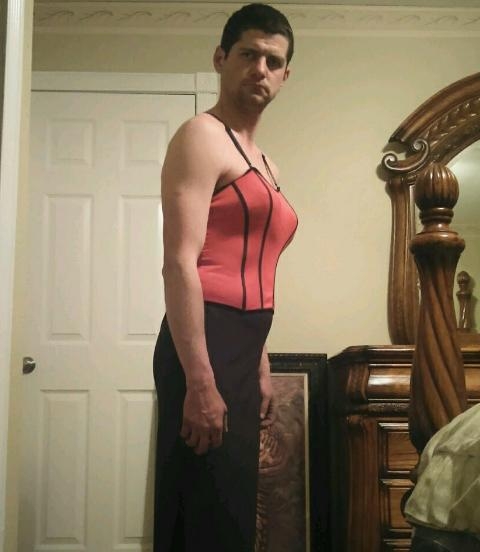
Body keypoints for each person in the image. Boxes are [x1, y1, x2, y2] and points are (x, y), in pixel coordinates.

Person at [152, 4, 297, 551]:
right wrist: (199, 381)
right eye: (248, 54)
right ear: (221, 59)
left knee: (230, 508)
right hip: (204, 340)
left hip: (242, 344)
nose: (260, 69)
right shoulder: (201, 135)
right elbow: (180, 263)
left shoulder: (268, 164)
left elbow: (256, 267)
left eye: (273, 61)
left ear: (285, 75)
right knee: (202, 510)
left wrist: (259, 359)